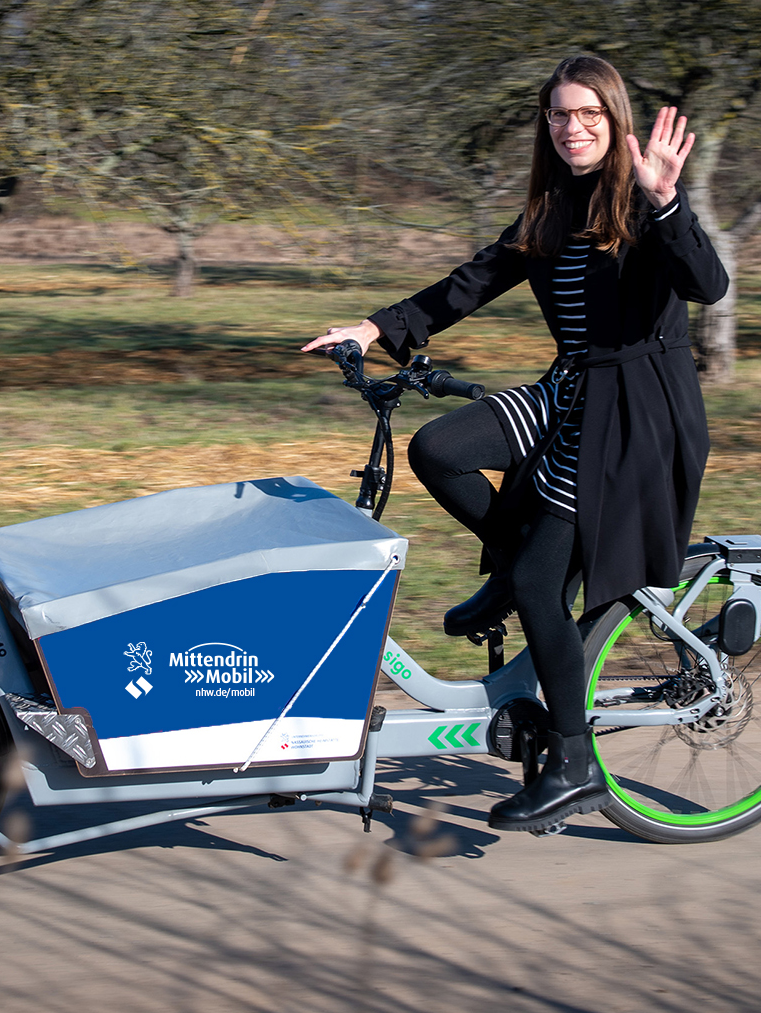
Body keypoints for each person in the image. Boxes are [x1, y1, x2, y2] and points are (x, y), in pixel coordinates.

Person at [302, 55, 729, 833]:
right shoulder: (550, 210)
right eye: (560, 115)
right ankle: (512, 571)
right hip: (574, 387)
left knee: (542, 584)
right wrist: (375, 328)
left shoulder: (645, 199)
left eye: (589, 114)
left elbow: (708, 284)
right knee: (440, 449)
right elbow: (471, 280)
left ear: (614, 118)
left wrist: (668, 200)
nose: (573, 128)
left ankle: (573, 764)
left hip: (637, 411)